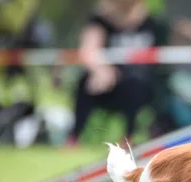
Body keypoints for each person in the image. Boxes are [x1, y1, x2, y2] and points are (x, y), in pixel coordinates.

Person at [65, 0, 175, 148]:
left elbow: (165, 55)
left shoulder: (154, 23)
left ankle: (130, 137)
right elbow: (89, 48)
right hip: (109, 81)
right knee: (86, 82)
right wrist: (102, 70)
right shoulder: (101, 20)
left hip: (142, 84)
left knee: (136, 85)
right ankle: (74, 137)